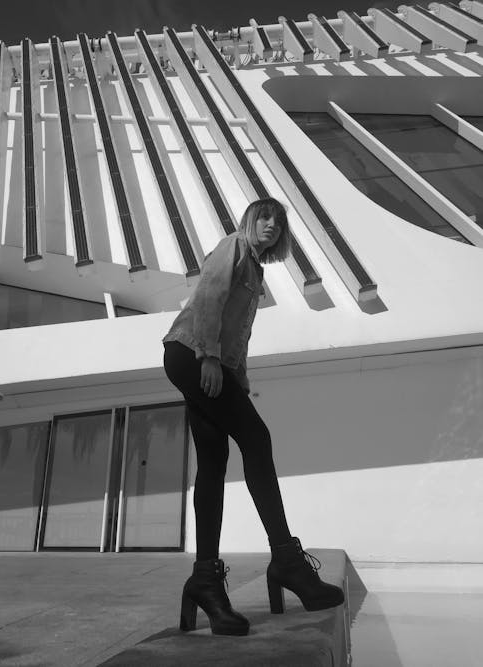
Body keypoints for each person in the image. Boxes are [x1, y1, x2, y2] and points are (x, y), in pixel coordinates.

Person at [163, 197, 344, 636]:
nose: (270, 226)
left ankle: (205, 580)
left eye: (278, 223)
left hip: (205, 360)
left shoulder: (256, 270)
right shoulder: (233, 247)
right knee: (257, 439)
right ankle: (286, 561)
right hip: (191, 353)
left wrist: (237, 381)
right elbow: (208, 297)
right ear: (250, 220)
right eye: (264, 217)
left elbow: (237, 335)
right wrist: (207, 357)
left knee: (213, 462)